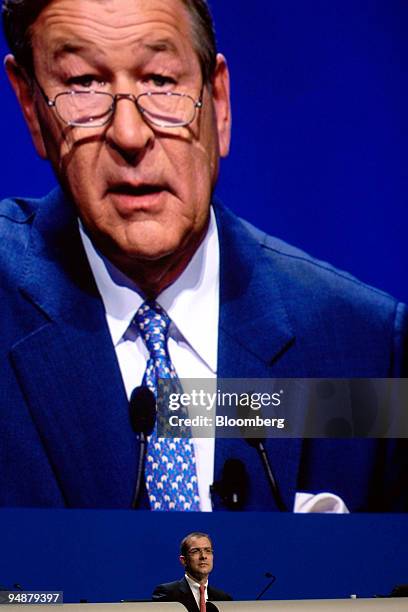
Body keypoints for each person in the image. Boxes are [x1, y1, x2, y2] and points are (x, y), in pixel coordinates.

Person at [0, 0, 407, 511]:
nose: (130, 134)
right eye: (83, 83)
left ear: (218, 100)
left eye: (161, 81)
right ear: (31, 107)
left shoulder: (363, 349)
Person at [152, 532, 232, 610]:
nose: (203, 556)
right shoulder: (167, 593)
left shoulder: (223, 599)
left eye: (207, 551)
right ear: (183, 560)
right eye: (195, 551)